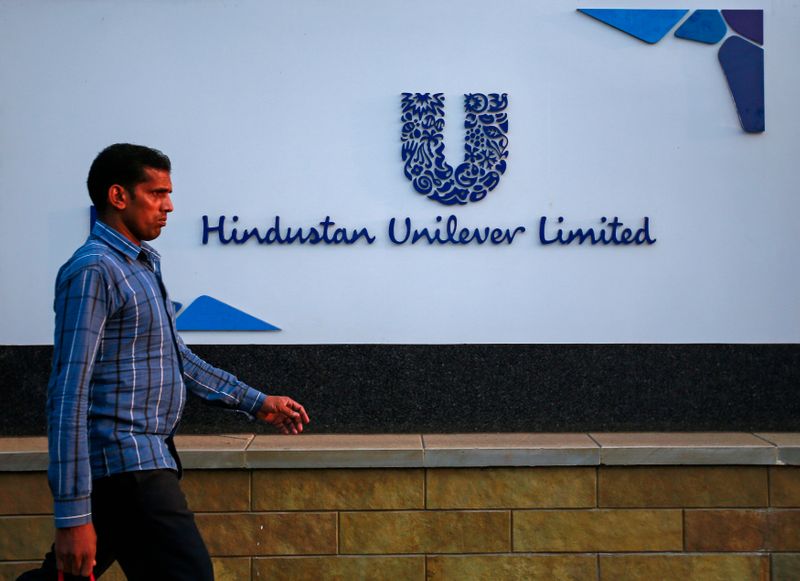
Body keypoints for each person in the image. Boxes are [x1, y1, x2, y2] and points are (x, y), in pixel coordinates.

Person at [19, 144, 310, 581]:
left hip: (138, 463)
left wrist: (258, 402)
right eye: (156, 193)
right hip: (130, 464)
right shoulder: (94, 270)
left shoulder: (139, 265)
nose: (169, 206)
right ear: (119, 197)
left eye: (168, 193)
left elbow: (179, 360)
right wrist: (72, 515)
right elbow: (68, 392)